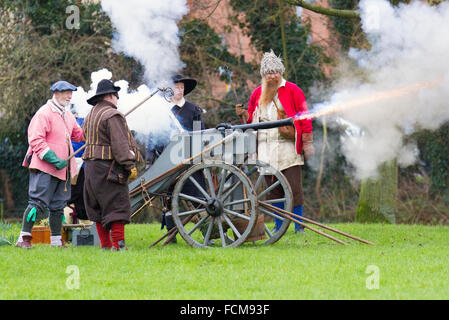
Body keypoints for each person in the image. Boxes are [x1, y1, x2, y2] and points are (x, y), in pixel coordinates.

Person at [235, 50, 315, 234]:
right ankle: (279, 228)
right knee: (272, 192)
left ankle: (299, 227)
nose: (272, 76)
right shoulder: (257, 93)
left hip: (287, 148)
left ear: (281, 72)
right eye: (269, 73)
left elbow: (305, 118)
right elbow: (251, 122)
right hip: (265, 148)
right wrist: (243, 115)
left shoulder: (293, 90)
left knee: (294, 189)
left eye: (275, 72)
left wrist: (307, 141)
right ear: (264, 75)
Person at [16, 80, 84, 248]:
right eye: (66, 92)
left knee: (58, 206)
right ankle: (23, 238)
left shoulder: (67, 114)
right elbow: (36, 139)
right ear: (56, 93)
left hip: (63, 170)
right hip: (44, 167)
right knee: (37, 204)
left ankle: (56, 241)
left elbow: (78, 135)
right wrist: (54, 159)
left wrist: (93, 126)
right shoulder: (44, 113)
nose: (69, 96)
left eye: (71, 93)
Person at [82, 79, 143, 250]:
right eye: (116, 96)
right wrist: (129, 164)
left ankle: (106, 245)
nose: (117, 99)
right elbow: (120, 144)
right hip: (108, 168)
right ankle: (119, 245)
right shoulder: (112, 115)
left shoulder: (90, 115)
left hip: (91, 168)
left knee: (98, 207)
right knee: (117, 204)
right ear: (110, 96)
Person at [146, 74, 206, 243]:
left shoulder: (193, 109)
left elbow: (199, 135)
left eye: (181, 87)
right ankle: (171, 235)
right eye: (176, 87)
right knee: (168, 201)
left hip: (189, 160)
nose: (179, 90)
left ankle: (208, 232)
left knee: (199, 199)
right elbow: (152, 139)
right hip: (166, 161)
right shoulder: (161, 111)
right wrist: (150, 162)